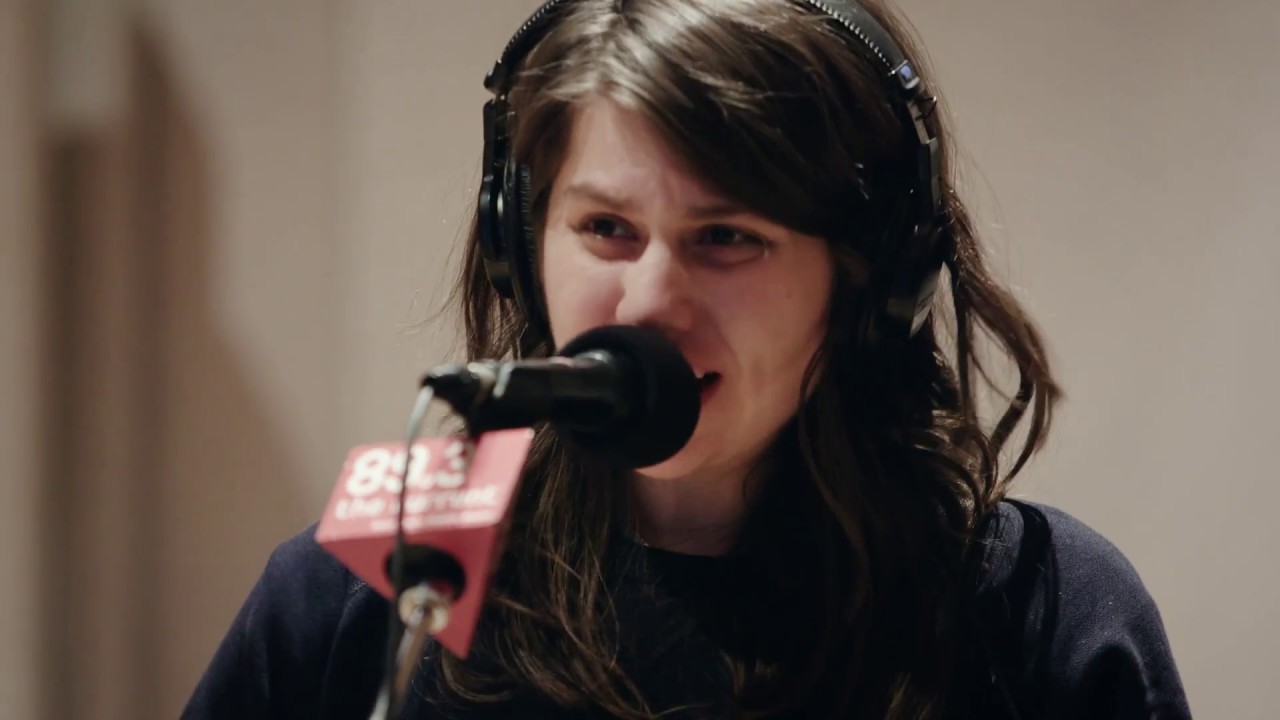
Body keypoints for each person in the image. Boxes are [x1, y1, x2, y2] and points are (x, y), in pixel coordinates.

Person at [182, 1, 1192, 718]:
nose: (647, 302)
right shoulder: (386, 578)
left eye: (727, 238)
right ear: (518, 242)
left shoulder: (1039, 615)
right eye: (606, 227)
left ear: (870, 282)